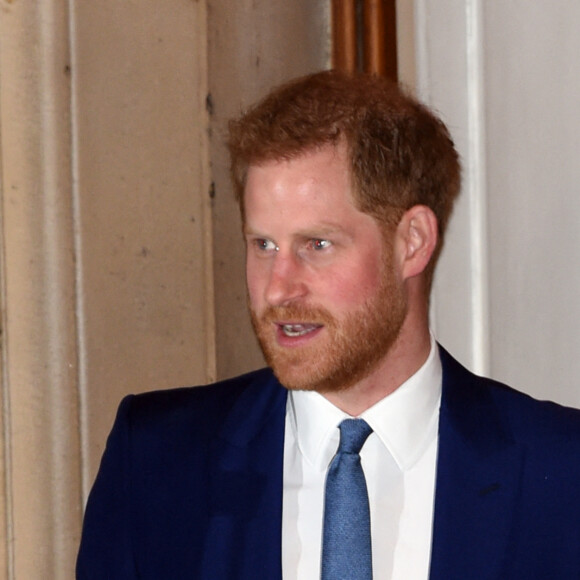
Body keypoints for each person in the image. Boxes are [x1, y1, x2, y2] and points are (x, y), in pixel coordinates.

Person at [76, 70, 580, 579]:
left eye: (316, 245)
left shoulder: (562, 475)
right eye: (263, 245)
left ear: (412, 242)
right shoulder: (156, 463)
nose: (277, 289)